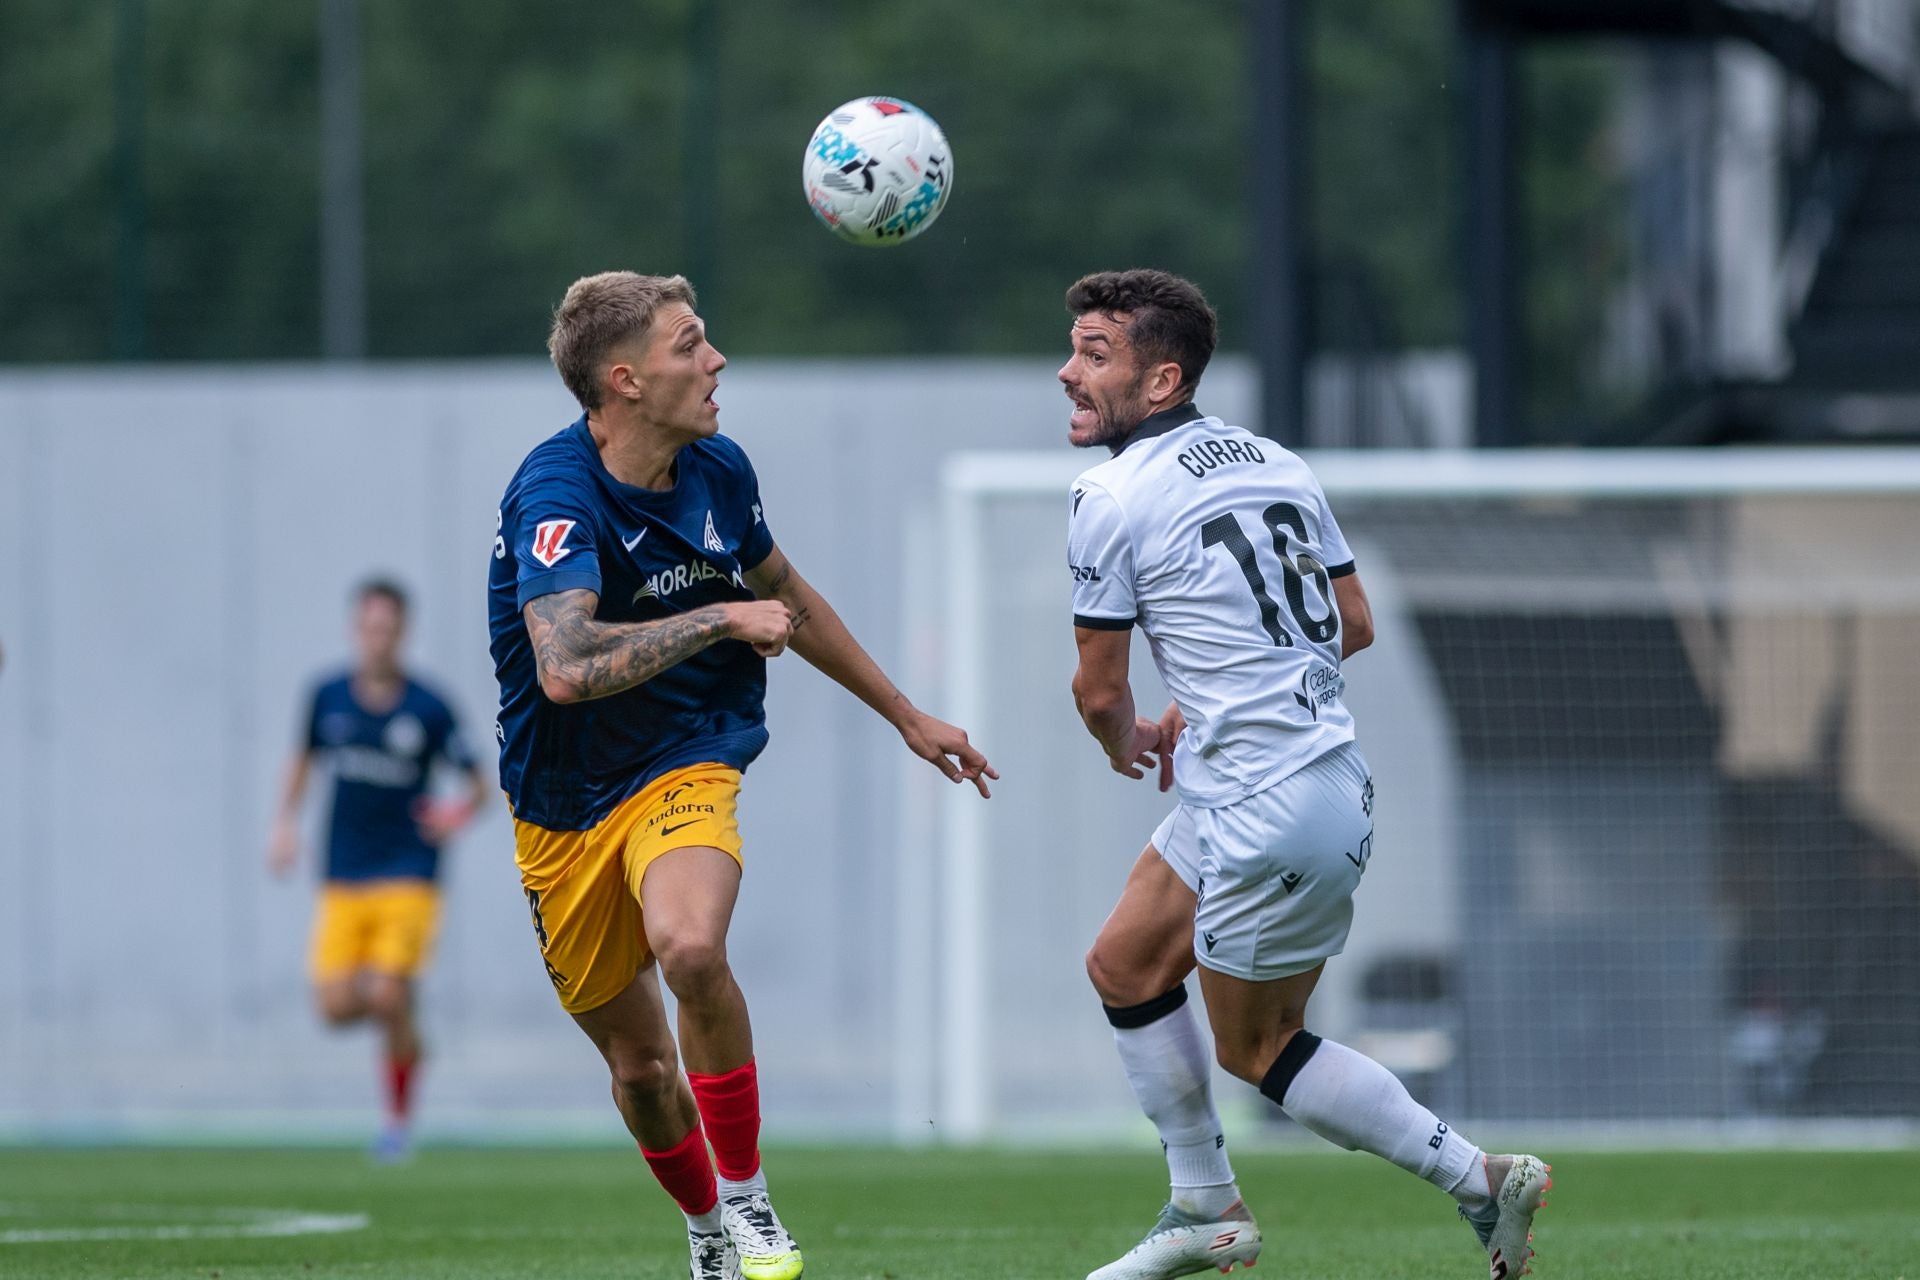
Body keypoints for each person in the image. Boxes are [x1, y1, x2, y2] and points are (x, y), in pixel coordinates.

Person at [488, 270, 995, 1280]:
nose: (715, 360)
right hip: (560, 804)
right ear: (625, 379)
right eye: (691, 343)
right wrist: (719, 617)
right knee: (640, 1070)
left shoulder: (719, 468)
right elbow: (567, 666)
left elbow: (786, 592)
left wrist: (905, 712)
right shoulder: (554, 493)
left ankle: (750, 1192)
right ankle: (706, 1224)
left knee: (689, 945)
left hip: (688, 755)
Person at [1059, 269, 1550, 1280]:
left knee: (1261, 1047)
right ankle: (1203, 1204)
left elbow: (1100, 691)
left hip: (1260, 803)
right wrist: (1221, 692)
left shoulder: (1108, 493)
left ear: (1161, 380)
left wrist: (1129, 740)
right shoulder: (1275, 460)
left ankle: (1476, 1174)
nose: (1069, 371)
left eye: (1095, 354)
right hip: (1294, 777)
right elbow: (1351, 622)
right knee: (1125, 962)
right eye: (1072, 348)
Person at [269, 578, 491, 1161]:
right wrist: (285, 825)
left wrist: (457, 812)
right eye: (369, 627)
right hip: (344, 872)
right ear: (355, 630)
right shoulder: (326, 696)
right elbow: (303, 760)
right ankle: (410, 1035)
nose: (378, 638)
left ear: (402, 632)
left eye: (388, 628)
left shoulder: (429, 706)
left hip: (409, 871)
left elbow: (478, 786)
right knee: (335, 1006)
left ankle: (397, 1122)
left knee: (389, 993)